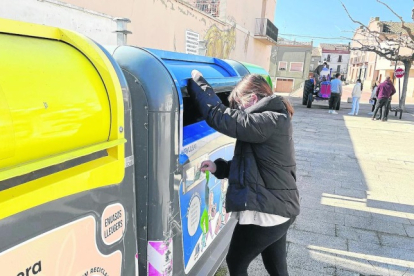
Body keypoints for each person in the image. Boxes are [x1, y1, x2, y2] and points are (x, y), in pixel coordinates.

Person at [188, 70, 300, 276]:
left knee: (236, 262)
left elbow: (219, 116)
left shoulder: (268, 120)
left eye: (238, 105)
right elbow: (255, 167)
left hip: (268, 213)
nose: (238, 110)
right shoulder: (273, 120)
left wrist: (198, 83)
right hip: (280, 208)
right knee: (275, 266)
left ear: (253, 99)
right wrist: (219, 168)